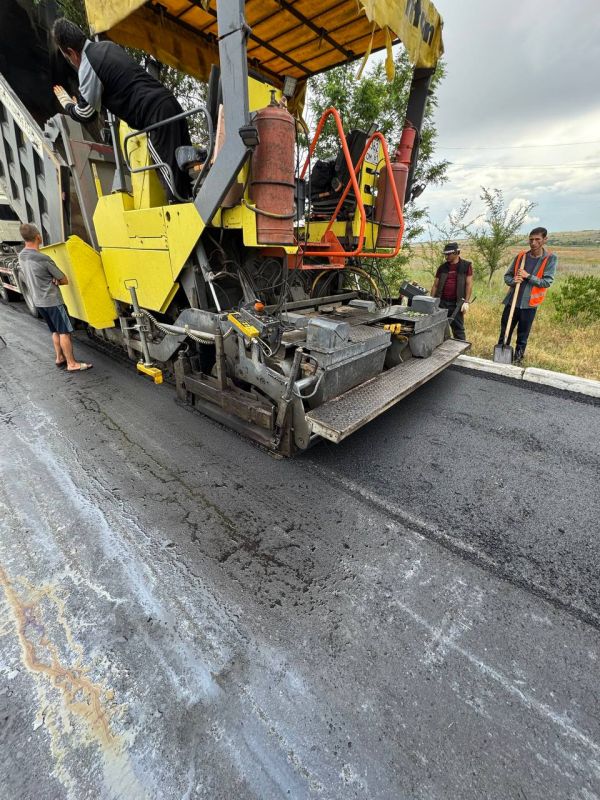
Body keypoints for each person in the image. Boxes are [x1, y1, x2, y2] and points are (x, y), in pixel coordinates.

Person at [51, 18, 192, 201]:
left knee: (172, 183)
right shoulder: (108, 47)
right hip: (171, 104)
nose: (71, 62)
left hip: (156, 117)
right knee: (183, 174)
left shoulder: (88, 65)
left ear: (71, 52)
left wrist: (68, 104)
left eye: (68, 58)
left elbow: (86, 114)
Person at [17, 223, 92, 372]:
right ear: (38, 237)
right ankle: (72, 363)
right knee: (64, 332)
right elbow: (64, 280)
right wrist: (55, 279)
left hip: (39, 302)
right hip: (53, 301)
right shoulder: (43, 259)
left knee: (55, 331)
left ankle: (59, 358)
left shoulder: (22, 256)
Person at [498, 227, 557, 364]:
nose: (533, 243)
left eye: (537, 239)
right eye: (531, 239)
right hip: (512, 302)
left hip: (529, 305)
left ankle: (517, 360)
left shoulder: (550, 258)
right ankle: (501, 358)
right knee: (505, 332)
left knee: (522, 336)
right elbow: (507, 276)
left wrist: (528, 276)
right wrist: (514, 280)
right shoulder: (521, 256)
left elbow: (546, 282)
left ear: (545, 240)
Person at [431, 242, 473, 341]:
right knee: (439, 328)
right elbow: (435, 285)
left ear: (456, 253)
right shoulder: (442, 267)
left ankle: (461, 348)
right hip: (441, 303)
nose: (446, 257)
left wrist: (466, 302)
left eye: (448, 254)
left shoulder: (466, 266)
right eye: (445, 254)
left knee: (458, 330)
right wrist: (431, 301)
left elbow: (469, 284)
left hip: (457, 304)